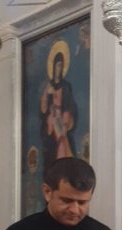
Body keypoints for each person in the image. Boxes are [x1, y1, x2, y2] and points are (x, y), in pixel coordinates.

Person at [40, 44, 77, 174]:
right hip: (51, 126)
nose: (58, 69)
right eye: (57, 65)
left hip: (62, 122)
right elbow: (43, 110)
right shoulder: (48, 87)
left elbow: (70, 107)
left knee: (63, 144)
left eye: (61, 66)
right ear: (53, 67)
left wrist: (64, 120)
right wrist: (46, 94)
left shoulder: (66, 86)